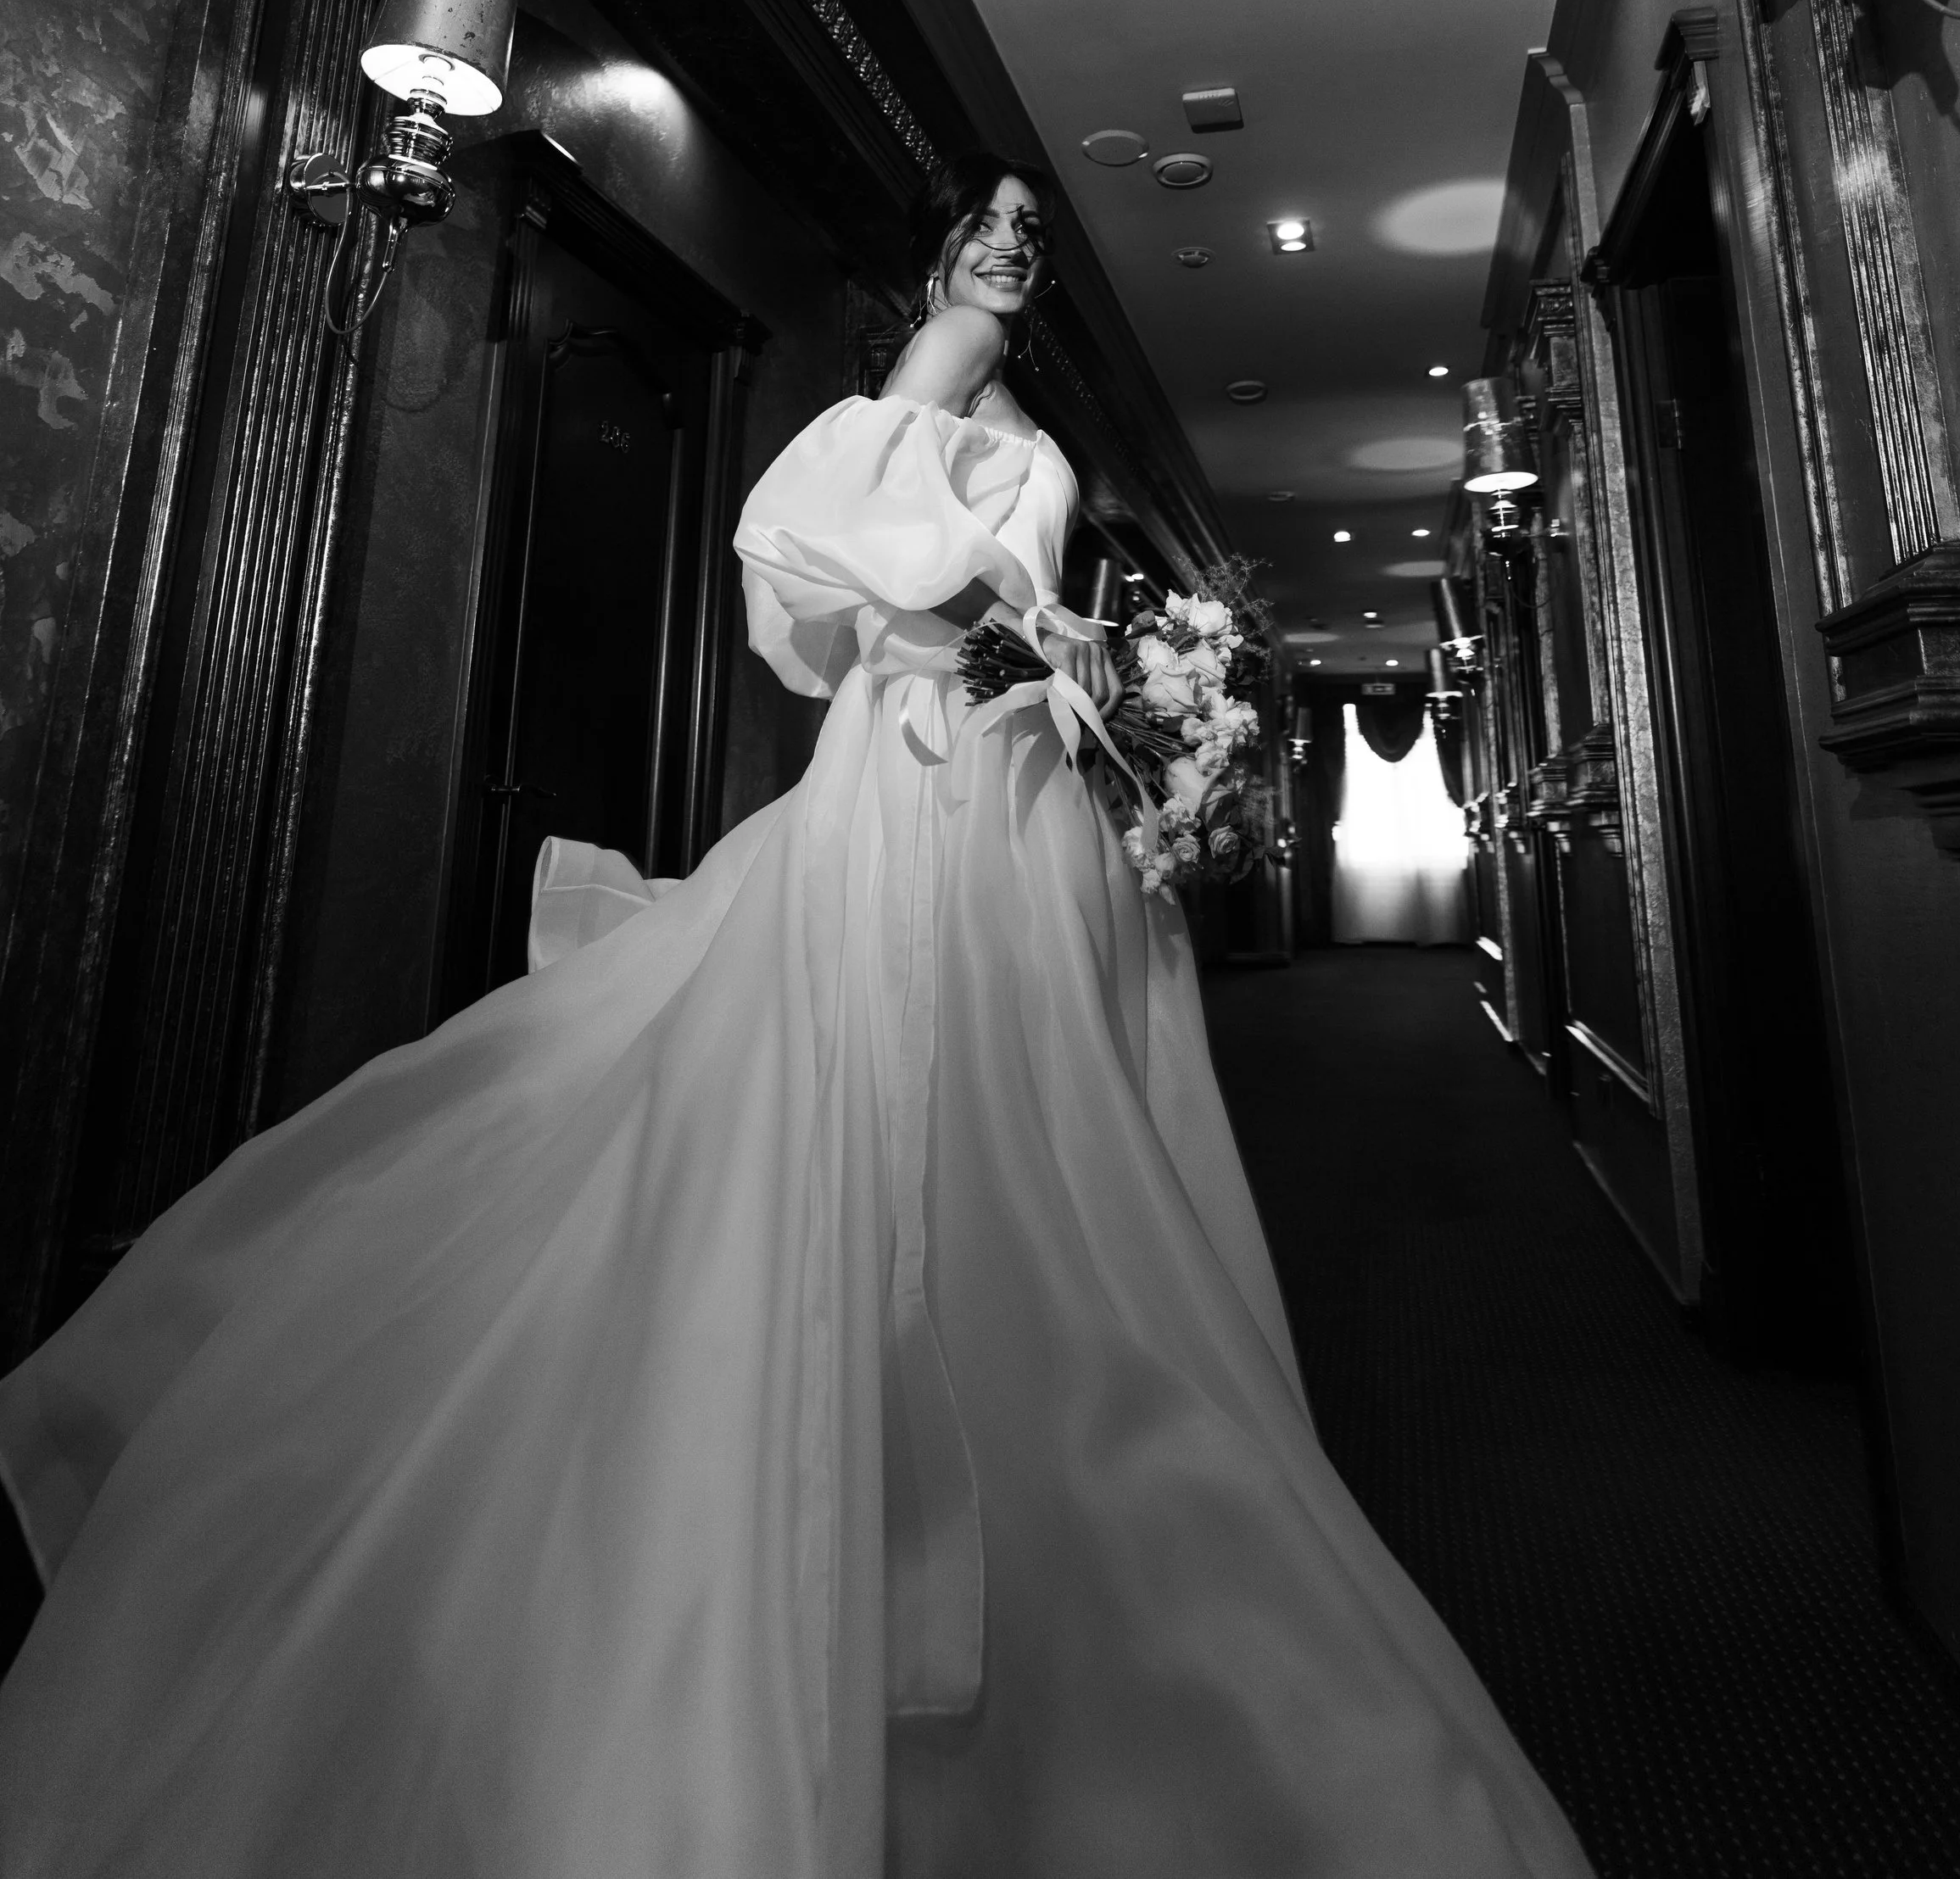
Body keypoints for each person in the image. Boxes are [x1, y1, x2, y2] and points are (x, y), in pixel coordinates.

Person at [0, 153, 1589, 1877]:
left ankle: (1036, 1434)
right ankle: (915, 1468)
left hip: (1019, 795)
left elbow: (1002, 600)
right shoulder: (914, 380)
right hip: (919, 790)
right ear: (934, 265)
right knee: (915, 1114)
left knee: (1038, 1123)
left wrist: (1106, 684)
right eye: (979, 235)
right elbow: (847, 572)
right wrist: (1029, 637)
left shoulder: (1028, 419)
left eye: (1024, 241)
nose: (1002, 253)